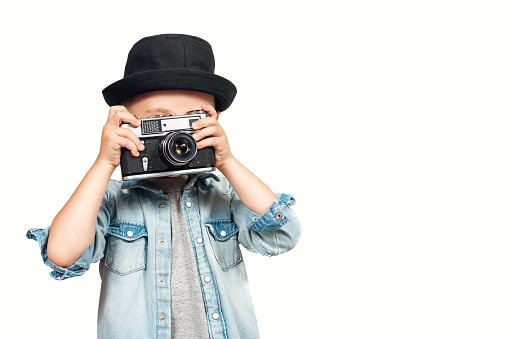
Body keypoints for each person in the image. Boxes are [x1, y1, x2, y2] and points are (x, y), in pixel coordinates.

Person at [26, 33, 301, 339]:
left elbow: (282, 234)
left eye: (190, 119)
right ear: (126, 121)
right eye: (158, 120)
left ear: (214, 118)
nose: (176, 136)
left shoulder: (224, 193)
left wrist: (227, 162)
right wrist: (104, 163)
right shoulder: (113, 200)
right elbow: (62, 255)